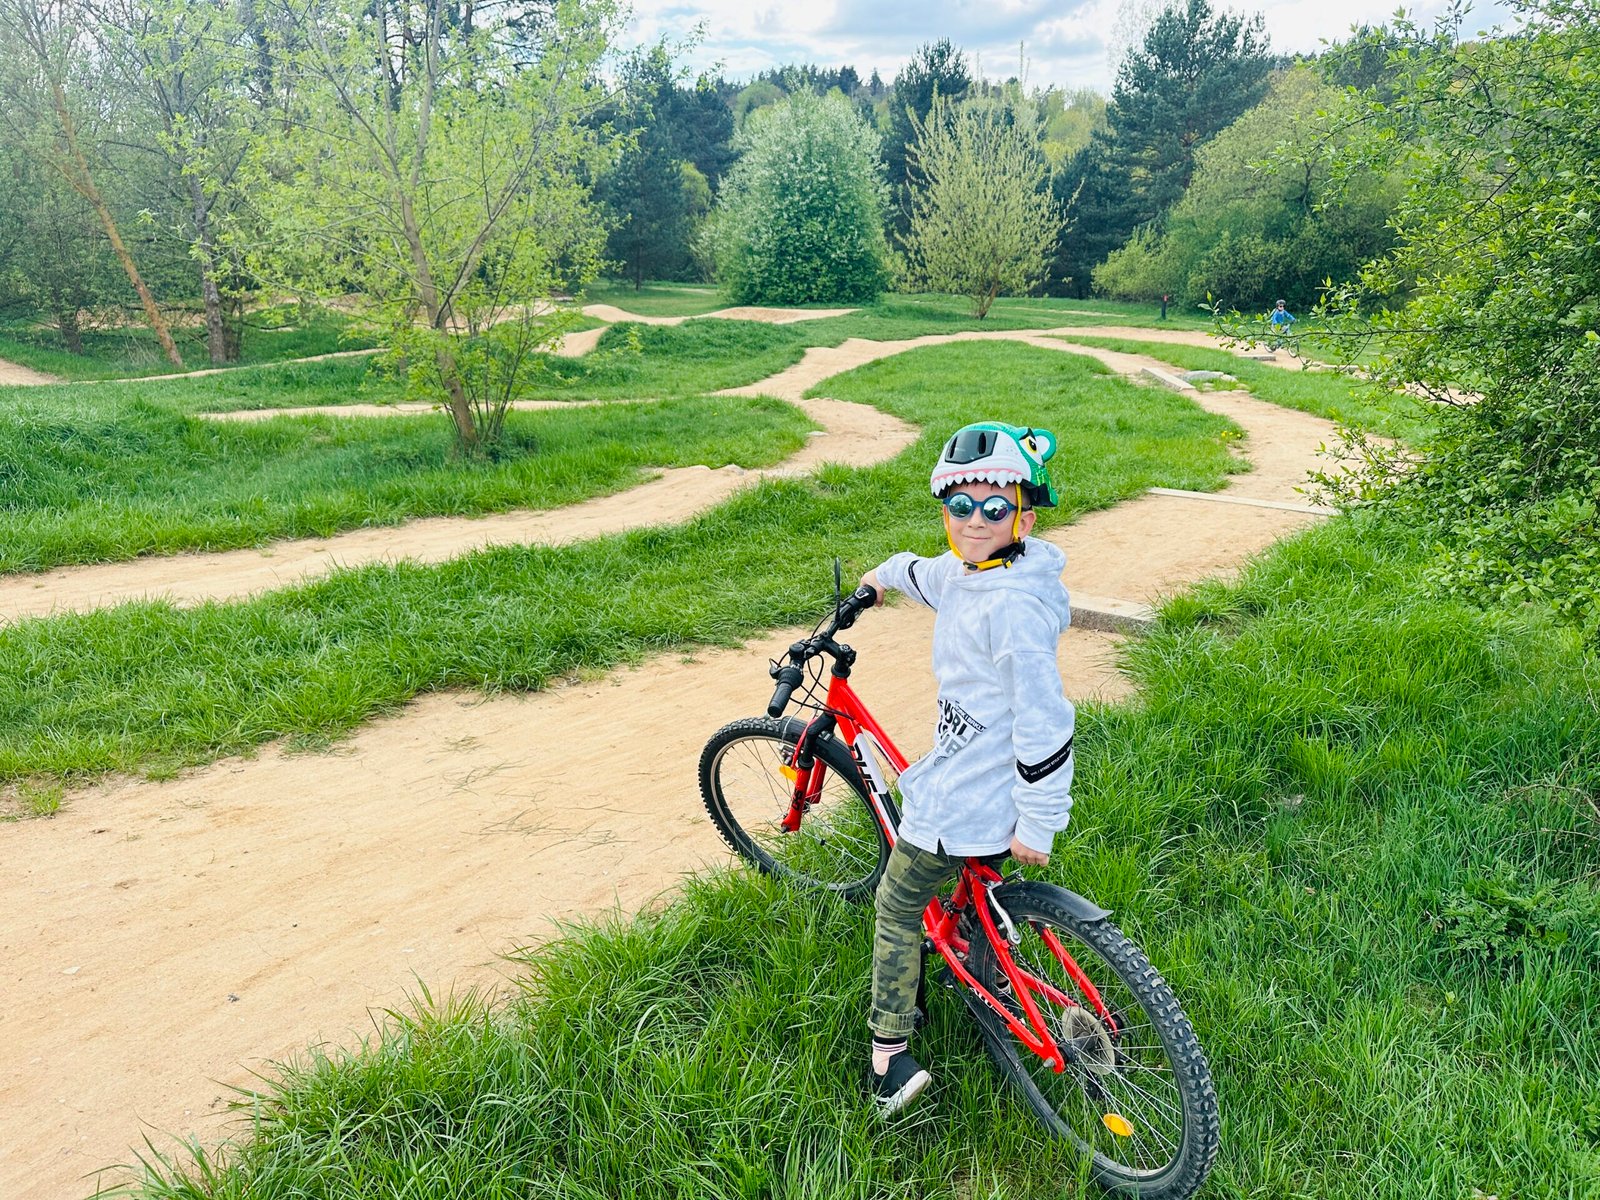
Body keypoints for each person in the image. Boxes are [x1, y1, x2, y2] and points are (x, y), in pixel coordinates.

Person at [857, 421, 1077, 1115]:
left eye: (994, 507)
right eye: (960, 505)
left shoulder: (1009, 609)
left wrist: (1040, 820)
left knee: (896, 906)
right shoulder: (973, 574)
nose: (974, 520)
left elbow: (1045, 720)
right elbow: (924, 573)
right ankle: (991, 965)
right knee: (975, 895)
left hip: (971, 797)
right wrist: (881, 577)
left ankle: (889, 1059)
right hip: (989, 787)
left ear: (1024, 518)